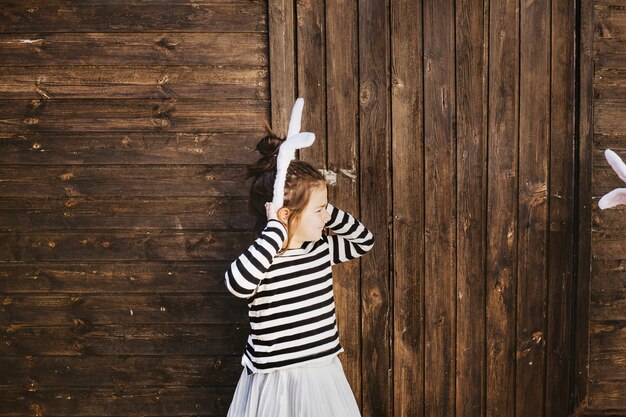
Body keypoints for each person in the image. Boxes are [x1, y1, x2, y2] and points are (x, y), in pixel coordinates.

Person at [224, 125, 375, 417]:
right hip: (276, 383)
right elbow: (237, 284)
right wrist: (275, 231)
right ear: (286, 215)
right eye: (318, 211)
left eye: (325, 210)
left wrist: (326, 210)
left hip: (320, 376)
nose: (325, 218)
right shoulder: (263, 259)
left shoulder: (319, 250)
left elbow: (363, 241)